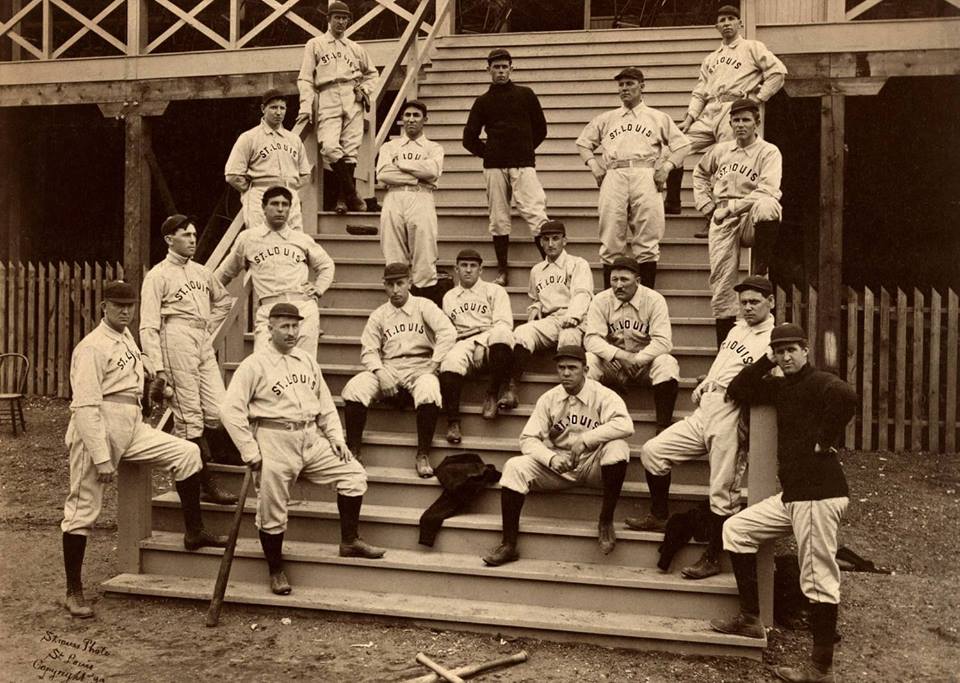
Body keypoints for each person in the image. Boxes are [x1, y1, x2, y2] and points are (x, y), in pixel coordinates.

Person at [60, 281, 228, 618]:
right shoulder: (92, 346)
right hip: (97, 427)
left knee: (187, 453)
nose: (125, 311)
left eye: (130, 305)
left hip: (131, 425)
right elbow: (85, 407)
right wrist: (103, 457)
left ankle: (194, 533)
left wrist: (155, 389)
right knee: (83, 510)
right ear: (103, 307)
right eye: (118, 305)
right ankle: (73, 591)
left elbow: (131, 386)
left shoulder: (127, 340)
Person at [712, 323, 857, 683]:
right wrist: (765, 359)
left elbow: (846, 396)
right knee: (737, 529)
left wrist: (825, 439)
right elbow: (738, 388)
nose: (786, 356)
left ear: (806, 350)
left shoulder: (819, 380)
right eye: (780, 350)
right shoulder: (780, 386)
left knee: (818, 580)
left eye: (792, 349)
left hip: (818, 494)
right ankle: (750, 617)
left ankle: (820, 670)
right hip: (794, 496)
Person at [221, 303, 384, 595]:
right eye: (284, 326)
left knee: (353, 474)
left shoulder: (306, 361)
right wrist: (250, 451)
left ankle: (349, 541)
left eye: (295, 326)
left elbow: (325, 405)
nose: (292, 332)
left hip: (310, 437)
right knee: (272, 509)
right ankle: (275, 569)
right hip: (274, 439)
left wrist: (336, 437)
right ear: (269, 328)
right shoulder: (254, 365)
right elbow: (230, 411)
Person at [625, 275, 775, 581]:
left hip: (732, 413)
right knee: (654, 452)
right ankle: (658, 514)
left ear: (770, 302)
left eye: (754, 302)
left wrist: (744, 416)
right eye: (743, 301)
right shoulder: (738, 328)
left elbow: (766, 384)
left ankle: (713, 558)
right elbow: (725, 364)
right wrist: (707, 381)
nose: (747, 307)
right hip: (707, 406)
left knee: (722, 491)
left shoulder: (775, 339)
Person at [482, 346, 633, 566]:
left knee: (618, 447)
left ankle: (606, 520)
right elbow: (527, 439)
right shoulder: (549, 398)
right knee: (514, 466)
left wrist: (587, 439)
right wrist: (550, 458)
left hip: (594, 463)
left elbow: (625, 424)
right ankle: (508, 544)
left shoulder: (603, 395)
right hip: (559, 465)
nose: (566, 373)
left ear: (586, 369)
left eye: (572, 368)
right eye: (561, 368)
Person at [139, 214, 238, 505]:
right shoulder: (158, 275)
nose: (193, 239)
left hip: (200, 339)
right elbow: (148, 324)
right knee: (189, 417)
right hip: (175, 338)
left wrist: (207, 326)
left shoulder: (201, 272)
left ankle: (218, 455)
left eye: (194, 235)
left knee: (220, 410)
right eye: (186, 235)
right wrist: (157, 367)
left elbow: (222, 300)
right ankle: (205, 481)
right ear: (170, 239)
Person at [664, 4, 786, 218]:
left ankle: (717, 216)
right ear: (716, 26)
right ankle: (672, 201)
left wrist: (758, 99)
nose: (727, 23)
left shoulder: (752, 47)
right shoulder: (711, 58)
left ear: (740, 23)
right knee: (675, 148)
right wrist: (690, 118)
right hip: (710, 110)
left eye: (731, 19)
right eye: (722, 20)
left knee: (728, 162)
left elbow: (778, 72)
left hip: (734, 109)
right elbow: (700, 92)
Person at [575, 67, 691, 289]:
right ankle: (611, 299)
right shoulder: (607, 118)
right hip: (614, 173)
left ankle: (646, 298)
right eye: (621, 85)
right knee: (610, 236)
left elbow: (683, 145)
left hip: (645, 173)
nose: (624, 89)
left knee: (647, 238)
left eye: (629, 84)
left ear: (642, 86)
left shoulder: (657, 117)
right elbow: (583, 143)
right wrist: (594, 166)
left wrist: (666, 167)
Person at [341, 263, 456, 478]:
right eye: (390, 284)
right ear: (383, 285)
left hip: (421, 365)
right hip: (390, 366)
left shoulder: (424, 306)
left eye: (400, 283)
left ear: (409, 282)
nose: (395, 290)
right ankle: (354, 450)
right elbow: (368, 350)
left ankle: (423, 454)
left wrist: (434, 364)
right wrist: (381, 373)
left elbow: (448, 333)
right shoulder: (379, 314)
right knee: (354, 388)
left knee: (429, 389)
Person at [693, 98, 782, 346]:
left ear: (757, 122)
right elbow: (699, 174)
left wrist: (732, 208)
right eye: (736, 120)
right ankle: (725, 351)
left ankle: (760, 270)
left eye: (746, 120)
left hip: (750, 212)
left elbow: (768, 189)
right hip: (721, 215)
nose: (740, 125)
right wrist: (707, 206)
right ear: (730, 123)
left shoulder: (768, 151)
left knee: (769, 206)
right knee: (722, 286)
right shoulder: (720, 150)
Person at [462, 48, 549, 286]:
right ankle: (502, 270)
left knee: (535, 212)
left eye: (504, 67)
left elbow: (541, 129)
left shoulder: (526, 94)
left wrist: (525, 150)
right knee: (499, 218)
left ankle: (551, 269)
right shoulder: (482, 102)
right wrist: (489, 153)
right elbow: (468, 138)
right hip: (494, 167)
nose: (500, 71)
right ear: (488, 69)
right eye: (496, 67)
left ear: (512, 68)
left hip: (523, 165)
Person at [214, 186, 334, 355]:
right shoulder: (249, 239)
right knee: (265, 365)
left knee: (302, 364)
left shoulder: (301, 239)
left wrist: (319, 288)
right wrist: (203, 294)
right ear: (263, 208)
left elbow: (326, 265)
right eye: (274, 204)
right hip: (269, 308)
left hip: (302, 307)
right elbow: (225, 272)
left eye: (285, 204)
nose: (280, 209)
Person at [500, 220, 593, 411]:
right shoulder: (537, 270)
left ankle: (569, 400)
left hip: (576, 319)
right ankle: (511, 389)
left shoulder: (577, 263)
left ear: (564, 241)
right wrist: (534, 309)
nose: (551, 244)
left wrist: (573, 316)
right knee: (523, 332)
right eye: (546, 239)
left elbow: (583, 294)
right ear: (541, 242)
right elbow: (536, 298)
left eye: (555, 239)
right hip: (550, 320)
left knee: (568, 338)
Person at [296, 0, 378, 214]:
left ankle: (342, 201)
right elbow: (305, 78)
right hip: (327, 93)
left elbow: (373, 74)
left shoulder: (355, 48)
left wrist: (365, 90)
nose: (341, 22)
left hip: (352, 96)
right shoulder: (315, 44)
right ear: (328, 19)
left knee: (351, 149)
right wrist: (305, 106)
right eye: (337, 18)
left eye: (344, 18)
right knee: (330, 147)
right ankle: (352, 195)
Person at [583, 255, 679, 434]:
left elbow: (663, 342)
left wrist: (636, 359)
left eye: (624, 280)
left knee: (667, 363)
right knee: (588, 360)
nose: (618, 285)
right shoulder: (601, 300)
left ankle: (663, 426)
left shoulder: (654, 299)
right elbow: (591, 339)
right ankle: (588, 423)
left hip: (643, 365)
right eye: (614, 279)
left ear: (638, 281)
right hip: (613, 363)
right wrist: (620, 356)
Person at [439, 249, 514, 444]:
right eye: (464, 266)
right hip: (463, 342)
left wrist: (482, 342)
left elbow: (504, 323)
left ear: (481, 270)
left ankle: (492, 393)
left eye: (473, 266)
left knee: (503, 334)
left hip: (490, 339)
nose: (468, 270)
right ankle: (453, 422)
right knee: (450, 362)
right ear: (456, 269)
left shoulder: (495, 290)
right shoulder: (449, 297)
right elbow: (448, 330)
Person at [377, 99, 446, 306]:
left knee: (424, 255)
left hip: (421, 197)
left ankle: (423, 307)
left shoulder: (433, 147)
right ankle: (398, 305)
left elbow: (432, 171)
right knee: (393, 253)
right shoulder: (390, 147)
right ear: (402, 119)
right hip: (394, 197)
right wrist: (416, 175)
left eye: (416, 116)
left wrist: (402, 164)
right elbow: (383, 174)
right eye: (407, 115)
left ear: (425, 119)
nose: (411, 120)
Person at [225, 89, 312, 232]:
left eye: (282, 108)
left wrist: (291, 188)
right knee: (261, 239)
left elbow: (305, 174)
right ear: (263, 109)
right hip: (260, 195)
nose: (278, 112)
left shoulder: (293, 139)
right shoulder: (249, 137)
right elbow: (232, 174)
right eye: (273, 107)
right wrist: (251, 190)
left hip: (288, 195)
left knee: (294, 238)